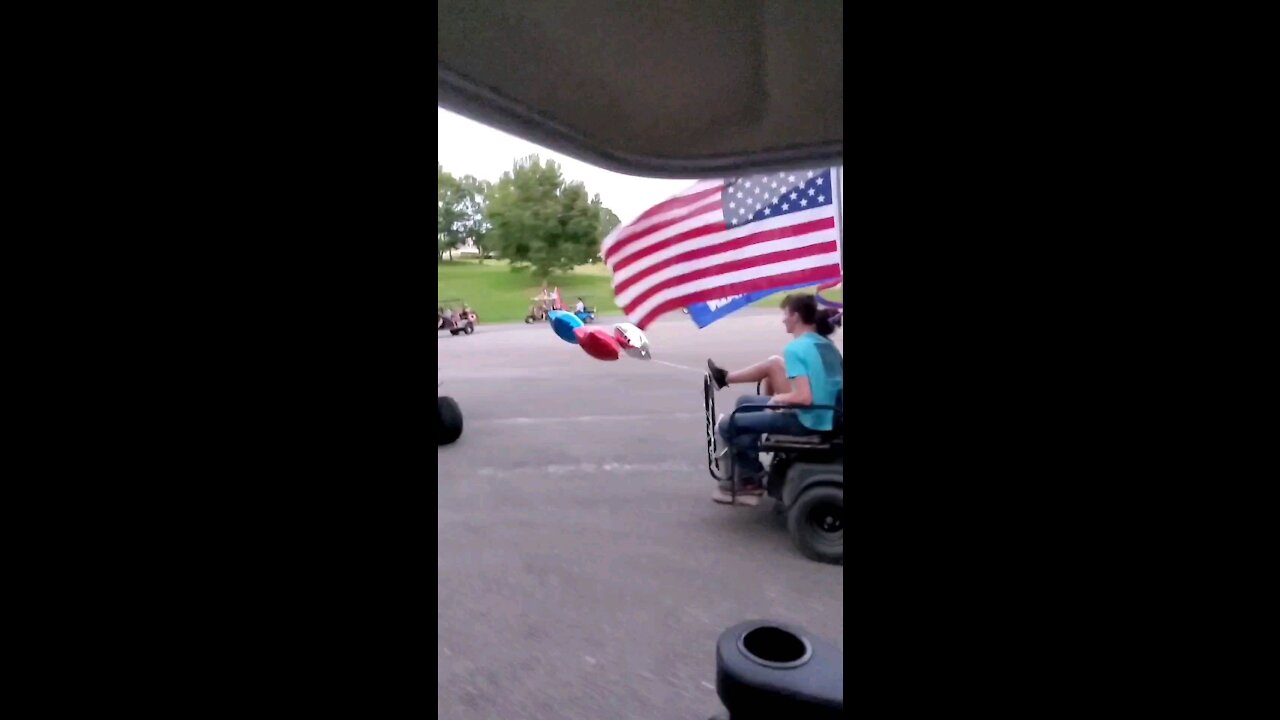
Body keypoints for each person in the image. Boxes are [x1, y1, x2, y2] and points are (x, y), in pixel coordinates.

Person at [706, 294, 843, 504]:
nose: (783, 319)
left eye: (786, 314)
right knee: (744, 403)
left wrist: (778, 399)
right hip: (828, 414)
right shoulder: (824, 344)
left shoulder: (797, 348)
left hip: (808, 419)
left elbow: (804, 397)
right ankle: (745, 472)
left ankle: (751, 477)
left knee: (727, 424)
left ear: (795, 316)